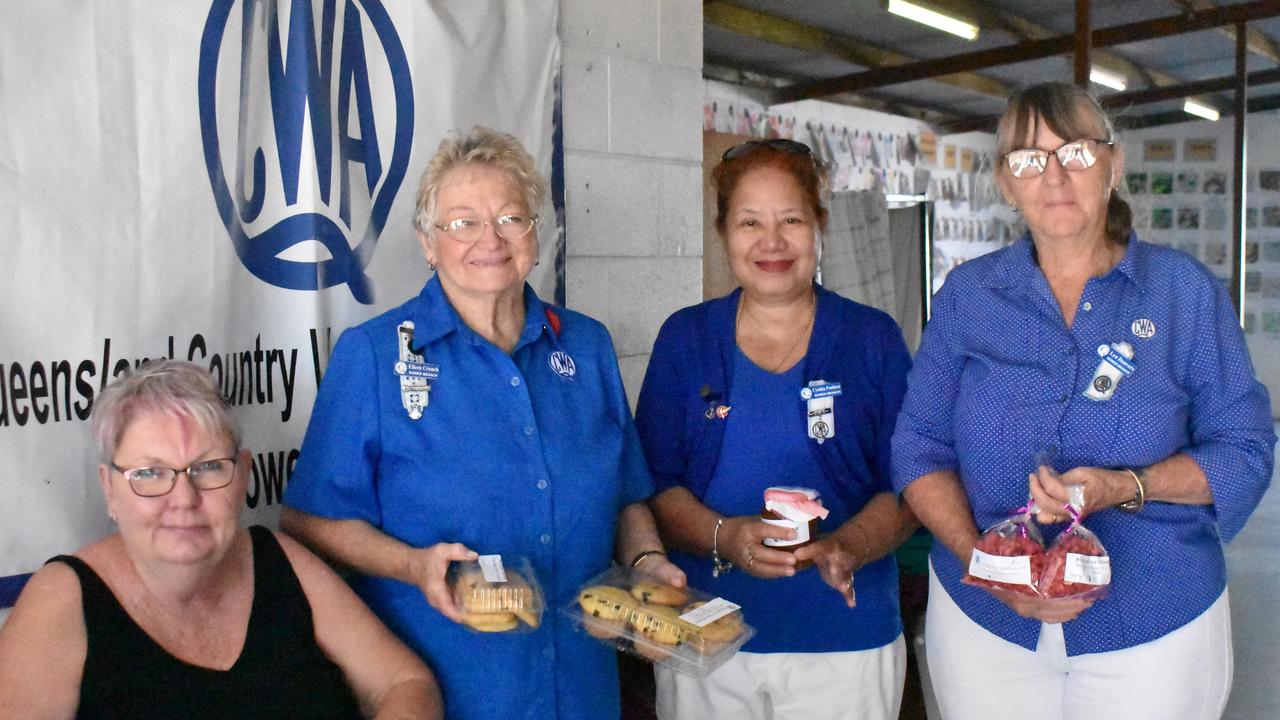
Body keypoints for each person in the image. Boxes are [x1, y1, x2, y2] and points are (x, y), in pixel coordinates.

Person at [892, 82, 1275, 720]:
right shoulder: (969, 296)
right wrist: (984, 561)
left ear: (1113, 165)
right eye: (1028, 160)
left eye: (1075, 152)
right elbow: (917, 447)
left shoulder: (1181, 294)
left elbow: (1245, 450)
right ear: (1007, 185)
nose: (1054, 177)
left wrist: (1122, 485)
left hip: (1153, 614)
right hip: (986, 624)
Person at [280, 126, 685, 720]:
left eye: (510, 218)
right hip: (448, 693)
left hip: (582, 693)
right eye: (463, 222)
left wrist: (648, 563)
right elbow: (308, 522)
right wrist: (412, 566)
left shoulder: (588, 346)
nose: (489, 239)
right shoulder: (373, 357)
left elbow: (626, 497)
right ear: (427, 241)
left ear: (535, 235)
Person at [635, 138, 919, 720]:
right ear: (723, 232)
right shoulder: (686, 340)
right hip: (705, 635)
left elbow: (912, 483)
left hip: (845, 637)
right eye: (749, 222)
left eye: (790, 219)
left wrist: (850, 545)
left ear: (819, 224)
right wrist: (725, 537)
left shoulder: (872, 339)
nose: (771, 242)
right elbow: (653, 483)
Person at [0, 360, 441, 719]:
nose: (183, 497)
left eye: (208, 467)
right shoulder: (63, 599)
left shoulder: (280, 561)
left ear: (244, 475)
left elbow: (406, 683)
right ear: (109, 489)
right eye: (150, 473)